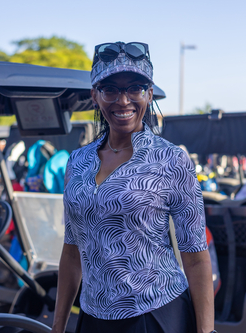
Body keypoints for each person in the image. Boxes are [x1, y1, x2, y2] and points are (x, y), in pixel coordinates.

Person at [52, 42, 215, 333]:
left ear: (149, 94)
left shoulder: (171, 159)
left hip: (155, 314)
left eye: (136, 88)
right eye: (110, 89)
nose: (123, 100)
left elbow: (196, 257)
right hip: (92, 316)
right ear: (95, 96)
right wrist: (58, 326)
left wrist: (206, 332)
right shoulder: (77, 162)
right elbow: (72, 251)